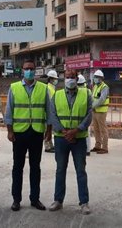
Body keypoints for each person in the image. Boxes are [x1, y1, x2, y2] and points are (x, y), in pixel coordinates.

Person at [5, 60, 51, 212]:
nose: (29, 71)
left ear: (35, 70)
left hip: (37, 132)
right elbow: (9, 111)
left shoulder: (43, 88)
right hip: (19, 133)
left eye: (31, 69)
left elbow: (48, 111)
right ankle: (16, 199)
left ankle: (35, 198)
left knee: (35, 167)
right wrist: (10, 131)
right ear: (22, 71)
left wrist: (49, 131)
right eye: (26, 69)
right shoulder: (14, 87)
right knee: (17, 167)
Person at [48, 69, 92, 215]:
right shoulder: (57, 95)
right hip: (61, 138)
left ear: (77, 78)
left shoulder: (86, 94)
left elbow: (89, 114)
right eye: (67, 77)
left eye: (72, 77)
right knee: (60, 170)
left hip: (78, 138)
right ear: (63, 78)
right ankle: (58, 200)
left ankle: (84, 202)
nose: (70, 80)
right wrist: (63, 131)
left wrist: (76, 130)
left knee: (81, 171)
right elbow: (52, 115)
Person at [90, 70, 110, 154]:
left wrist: (93, 105)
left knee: (103, 130)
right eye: (95, 77)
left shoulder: (104, 87)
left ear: (101, 78)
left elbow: (102, 99)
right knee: (96, 129)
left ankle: (104, 147)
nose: (95, 79)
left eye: (97, 77)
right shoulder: (95, 87)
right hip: (95, 111)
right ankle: (98, 145)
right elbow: (92, 97)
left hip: (101, 111)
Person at [77, 74, 93, 156]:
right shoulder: (88, 91)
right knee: (87, 133)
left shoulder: (76, 91)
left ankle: (81, 150)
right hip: (86, 116)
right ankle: (87, 150)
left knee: (79, 134)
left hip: (77, 116)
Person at [44, 70, 59, 153]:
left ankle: (50, 145)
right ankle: (47, 146)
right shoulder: (48, 88)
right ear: (50, 79)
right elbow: (49, 101)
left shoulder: (52, 88)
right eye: (54, 79)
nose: (56, 80)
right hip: (49, 112)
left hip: (52, 111)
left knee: (49, 129)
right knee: (47, 129)